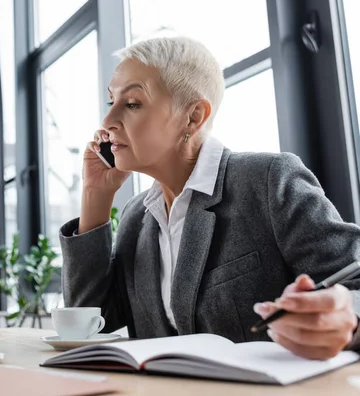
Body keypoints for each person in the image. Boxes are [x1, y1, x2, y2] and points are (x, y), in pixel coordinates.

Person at [59, 36, 360, 360]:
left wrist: (349, 316)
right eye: (111, 102)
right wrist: (95, 195)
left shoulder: (269, 180)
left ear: (193, 117)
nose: (108, 121)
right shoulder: (136, 218)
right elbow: (86, 324)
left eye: (132, 103)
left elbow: (354, 281)